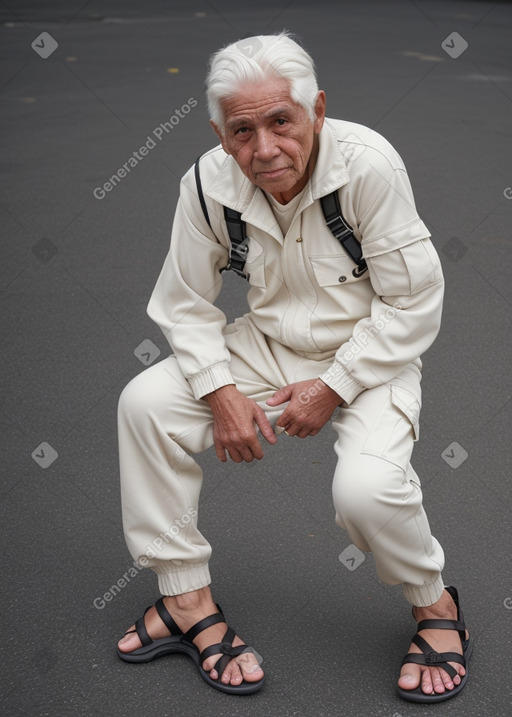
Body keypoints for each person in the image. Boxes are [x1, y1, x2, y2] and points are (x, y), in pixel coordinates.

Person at [116, 32, 471, 702]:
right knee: (143, 405)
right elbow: (184, 302)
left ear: (318, 110)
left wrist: (334, 386)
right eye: (242, 130)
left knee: (366, 491)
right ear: (221, 133)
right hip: (266, 344)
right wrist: (219, 390)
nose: (265, 149)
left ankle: (435, 606)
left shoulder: (369, 167)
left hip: (368, 354)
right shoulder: (205, 183)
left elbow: (413, 302)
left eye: (282, 120)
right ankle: (185, 600)